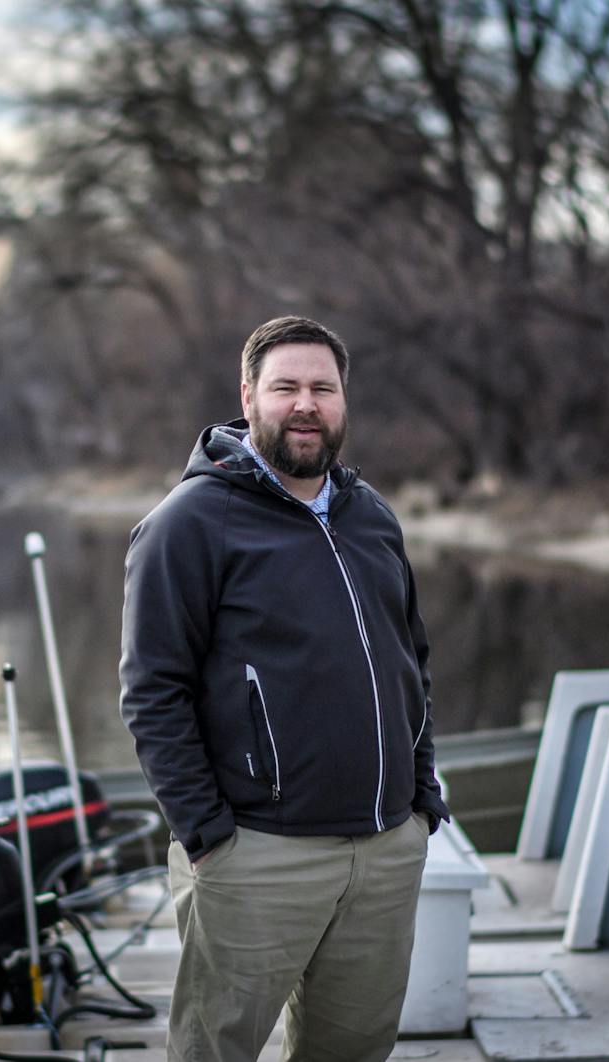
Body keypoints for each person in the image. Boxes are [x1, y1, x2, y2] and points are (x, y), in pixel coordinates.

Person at [118, 315, 451, 1062]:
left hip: (385, 848)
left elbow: (411, 662)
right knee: (214, 1052)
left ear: (343, 402)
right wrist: (207, 835)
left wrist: (420, 799)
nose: (306, 404)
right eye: (286, 387)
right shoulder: (188, 524)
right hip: (257, 855)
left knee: (354, 1051)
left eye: (322, 389)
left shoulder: (371, 517)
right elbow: (152, 692)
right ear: (249, 395)